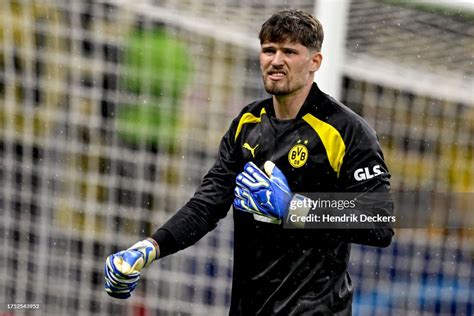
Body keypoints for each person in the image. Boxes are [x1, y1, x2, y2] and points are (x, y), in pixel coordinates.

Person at [104, 9, 394, 315]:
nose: (276, 60)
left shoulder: (346, 130)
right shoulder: (247, 123)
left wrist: (293, 207)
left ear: (315, 62)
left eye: (289, 52)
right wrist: (151, 247)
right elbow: (207, 204)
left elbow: (378, 221)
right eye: (269, 50)